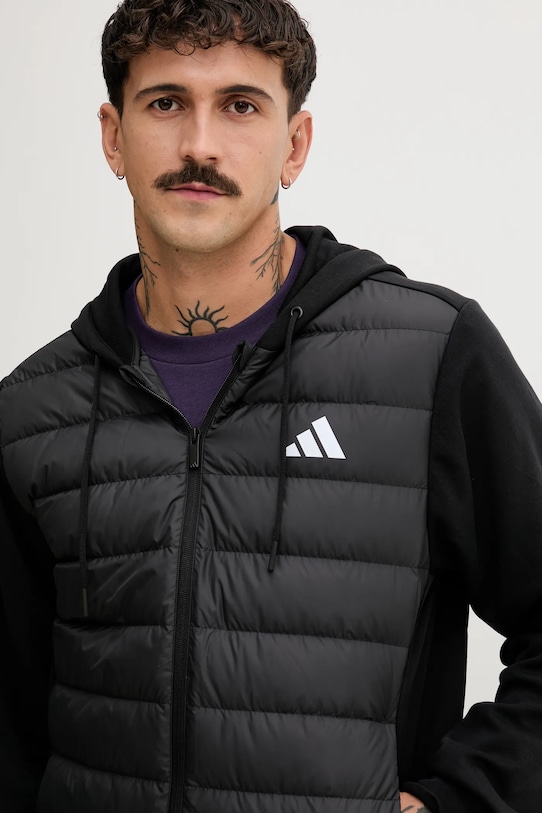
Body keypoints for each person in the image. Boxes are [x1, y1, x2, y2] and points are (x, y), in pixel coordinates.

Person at [1, 0, 542, 810]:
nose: (200, 144)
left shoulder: (429, 355)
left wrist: (461, 798)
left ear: (295, 145)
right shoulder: (34, 409)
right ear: (114, 136)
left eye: (241, 105)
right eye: (166, 102)